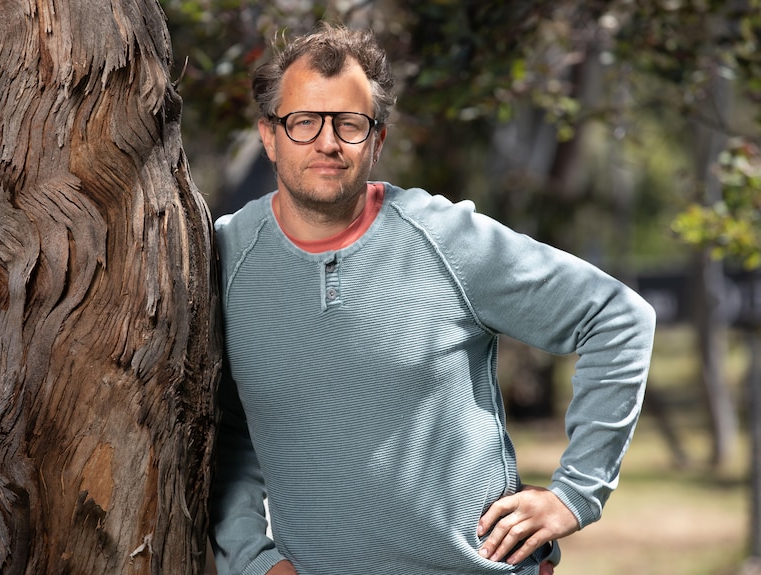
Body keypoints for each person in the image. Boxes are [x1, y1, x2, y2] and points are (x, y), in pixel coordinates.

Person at [209, 22, 655, 575]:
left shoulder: (446, 238)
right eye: (304, 122)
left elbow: (618, 318)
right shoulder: (224, 257)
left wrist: (575, 494)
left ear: (377, 140)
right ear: (269, 136)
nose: (327, 142)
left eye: (349, 124)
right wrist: (252, 559)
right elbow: (228, 427)